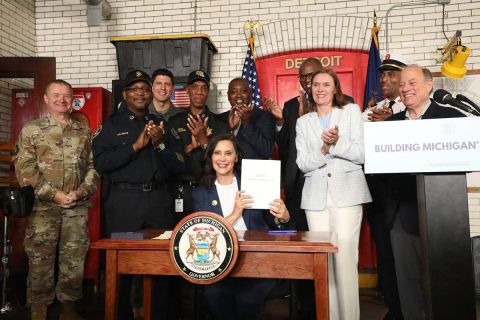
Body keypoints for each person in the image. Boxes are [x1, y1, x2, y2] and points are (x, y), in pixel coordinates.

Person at [92, 69, 184, 320]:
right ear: (126, 94)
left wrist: (160, 144)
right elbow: (100, 163)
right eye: (135, 89)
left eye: (145, 89)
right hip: (125, 207)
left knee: (163, 265)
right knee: (122, 267)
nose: (141, 93)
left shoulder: (162, 124)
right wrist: (135, 147)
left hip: (158, 205)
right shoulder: (111, 126)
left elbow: (179, 165)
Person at [14, 80, 99, 320]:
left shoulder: (84, 132)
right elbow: (25, 170)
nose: (62, 100)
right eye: (56, 95)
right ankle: (38, 311)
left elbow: (93, 167)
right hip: (43, 208)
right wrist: (55, 195)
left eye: (67, 96)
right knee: (40, 260)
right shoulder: (32, 130)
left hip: (76, 207)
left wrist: (80, 192)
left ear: (73, 100)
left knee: (74, 260)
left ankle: (68, 310)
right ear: (46, 99)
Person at [385, 65, 465, 320]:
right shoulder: (390, 125)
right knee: (408, 284)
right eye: (402, 84)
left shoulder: (451, 119)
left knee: (445, 281)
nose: (405, 88)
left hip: (443, 216)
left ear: (429, 85)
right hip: (402, 214)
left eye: (412, 82)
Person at [295, 67, 372, 320]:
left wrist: (337, 143)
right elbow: (304, 163)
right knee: (323, 265)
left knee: (345, 260)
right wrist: (325, 148)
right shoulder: (303, 122)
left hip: (347, 195)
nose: (320, 89)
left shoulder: (350, 112)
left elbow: (361, 154)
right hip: (315, 199)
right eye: (316, 84)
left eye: (326, 84)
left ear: (335, 88)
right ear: (310, 89)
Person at [192, 133, 290, 320]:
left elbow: (274, 224)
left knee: (246, 299)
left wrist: (282, 217)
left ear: (236, 157)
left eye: (228, 153)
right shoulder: (200, 193)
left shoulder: (254, 182)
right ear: (210, 156)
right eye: (217, 153)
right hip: (219, 263)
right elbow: (203, 235)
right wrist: (235, 214)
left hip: (257, 260)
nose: (222, 159)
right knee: (215, 295)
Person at [364, 54, 408, 320]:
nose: (384, 79)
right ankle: (393, 306)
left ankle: (411, 304)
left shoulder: (409, 107)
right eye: (382, 75)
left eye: (391, 75)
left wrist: (390, 124)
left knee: (406, 252)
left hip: (405, 193)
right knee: (386, 250)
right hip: (378, 193)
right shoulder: (374, 107)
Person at [169, 69, 227, 218]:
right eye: (195, 87)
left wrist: (204, 142)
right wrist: (189, 148)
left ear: (208, 92)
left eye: (204, 87)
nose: (199, 92)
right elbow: (168, 157)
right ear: (187, 90)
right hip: (181, 191)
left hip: (209, 190)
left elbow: (225, 159)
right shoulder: (175, 122)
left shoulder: (219, 123)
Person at [219, 77, 275, 159]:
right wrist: (230, 130)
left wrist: (247, 123)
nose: (238, 95)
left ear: (250, 93)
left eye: (243, 91)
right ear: (228, 95)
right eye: (233, 92)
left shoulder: (265, 116)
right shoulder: (220, 118)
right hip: (226, 170)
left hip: (252, 171)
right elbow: (216, 149)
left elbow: (268, 151)